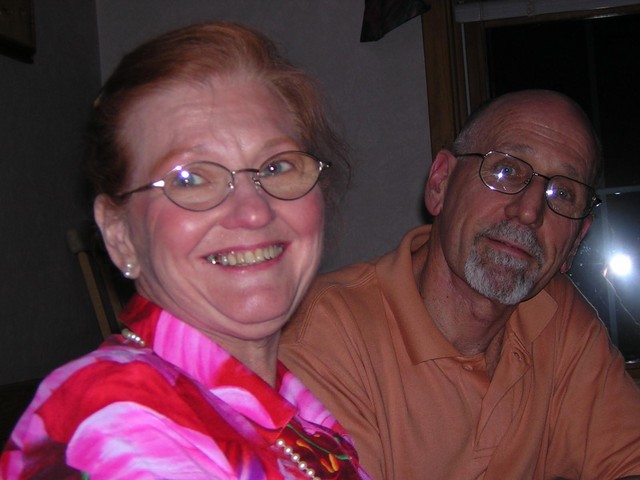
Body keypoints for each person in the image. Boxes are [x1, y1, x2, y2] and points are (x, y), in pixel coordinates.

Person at [1, 22, 371, 479]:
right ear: (119, 233)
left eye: (277, 167)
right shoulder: (115, 421)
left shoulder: (294, 414)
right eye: (191, 178)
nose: (253, 212)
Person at [280, 90, 640, 479]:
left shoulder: (558, 316)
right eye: (506, 170)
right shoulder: (323, 335)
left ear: (576, 241)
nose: (530, 211)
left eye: (564, 194)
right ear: (441, 183)